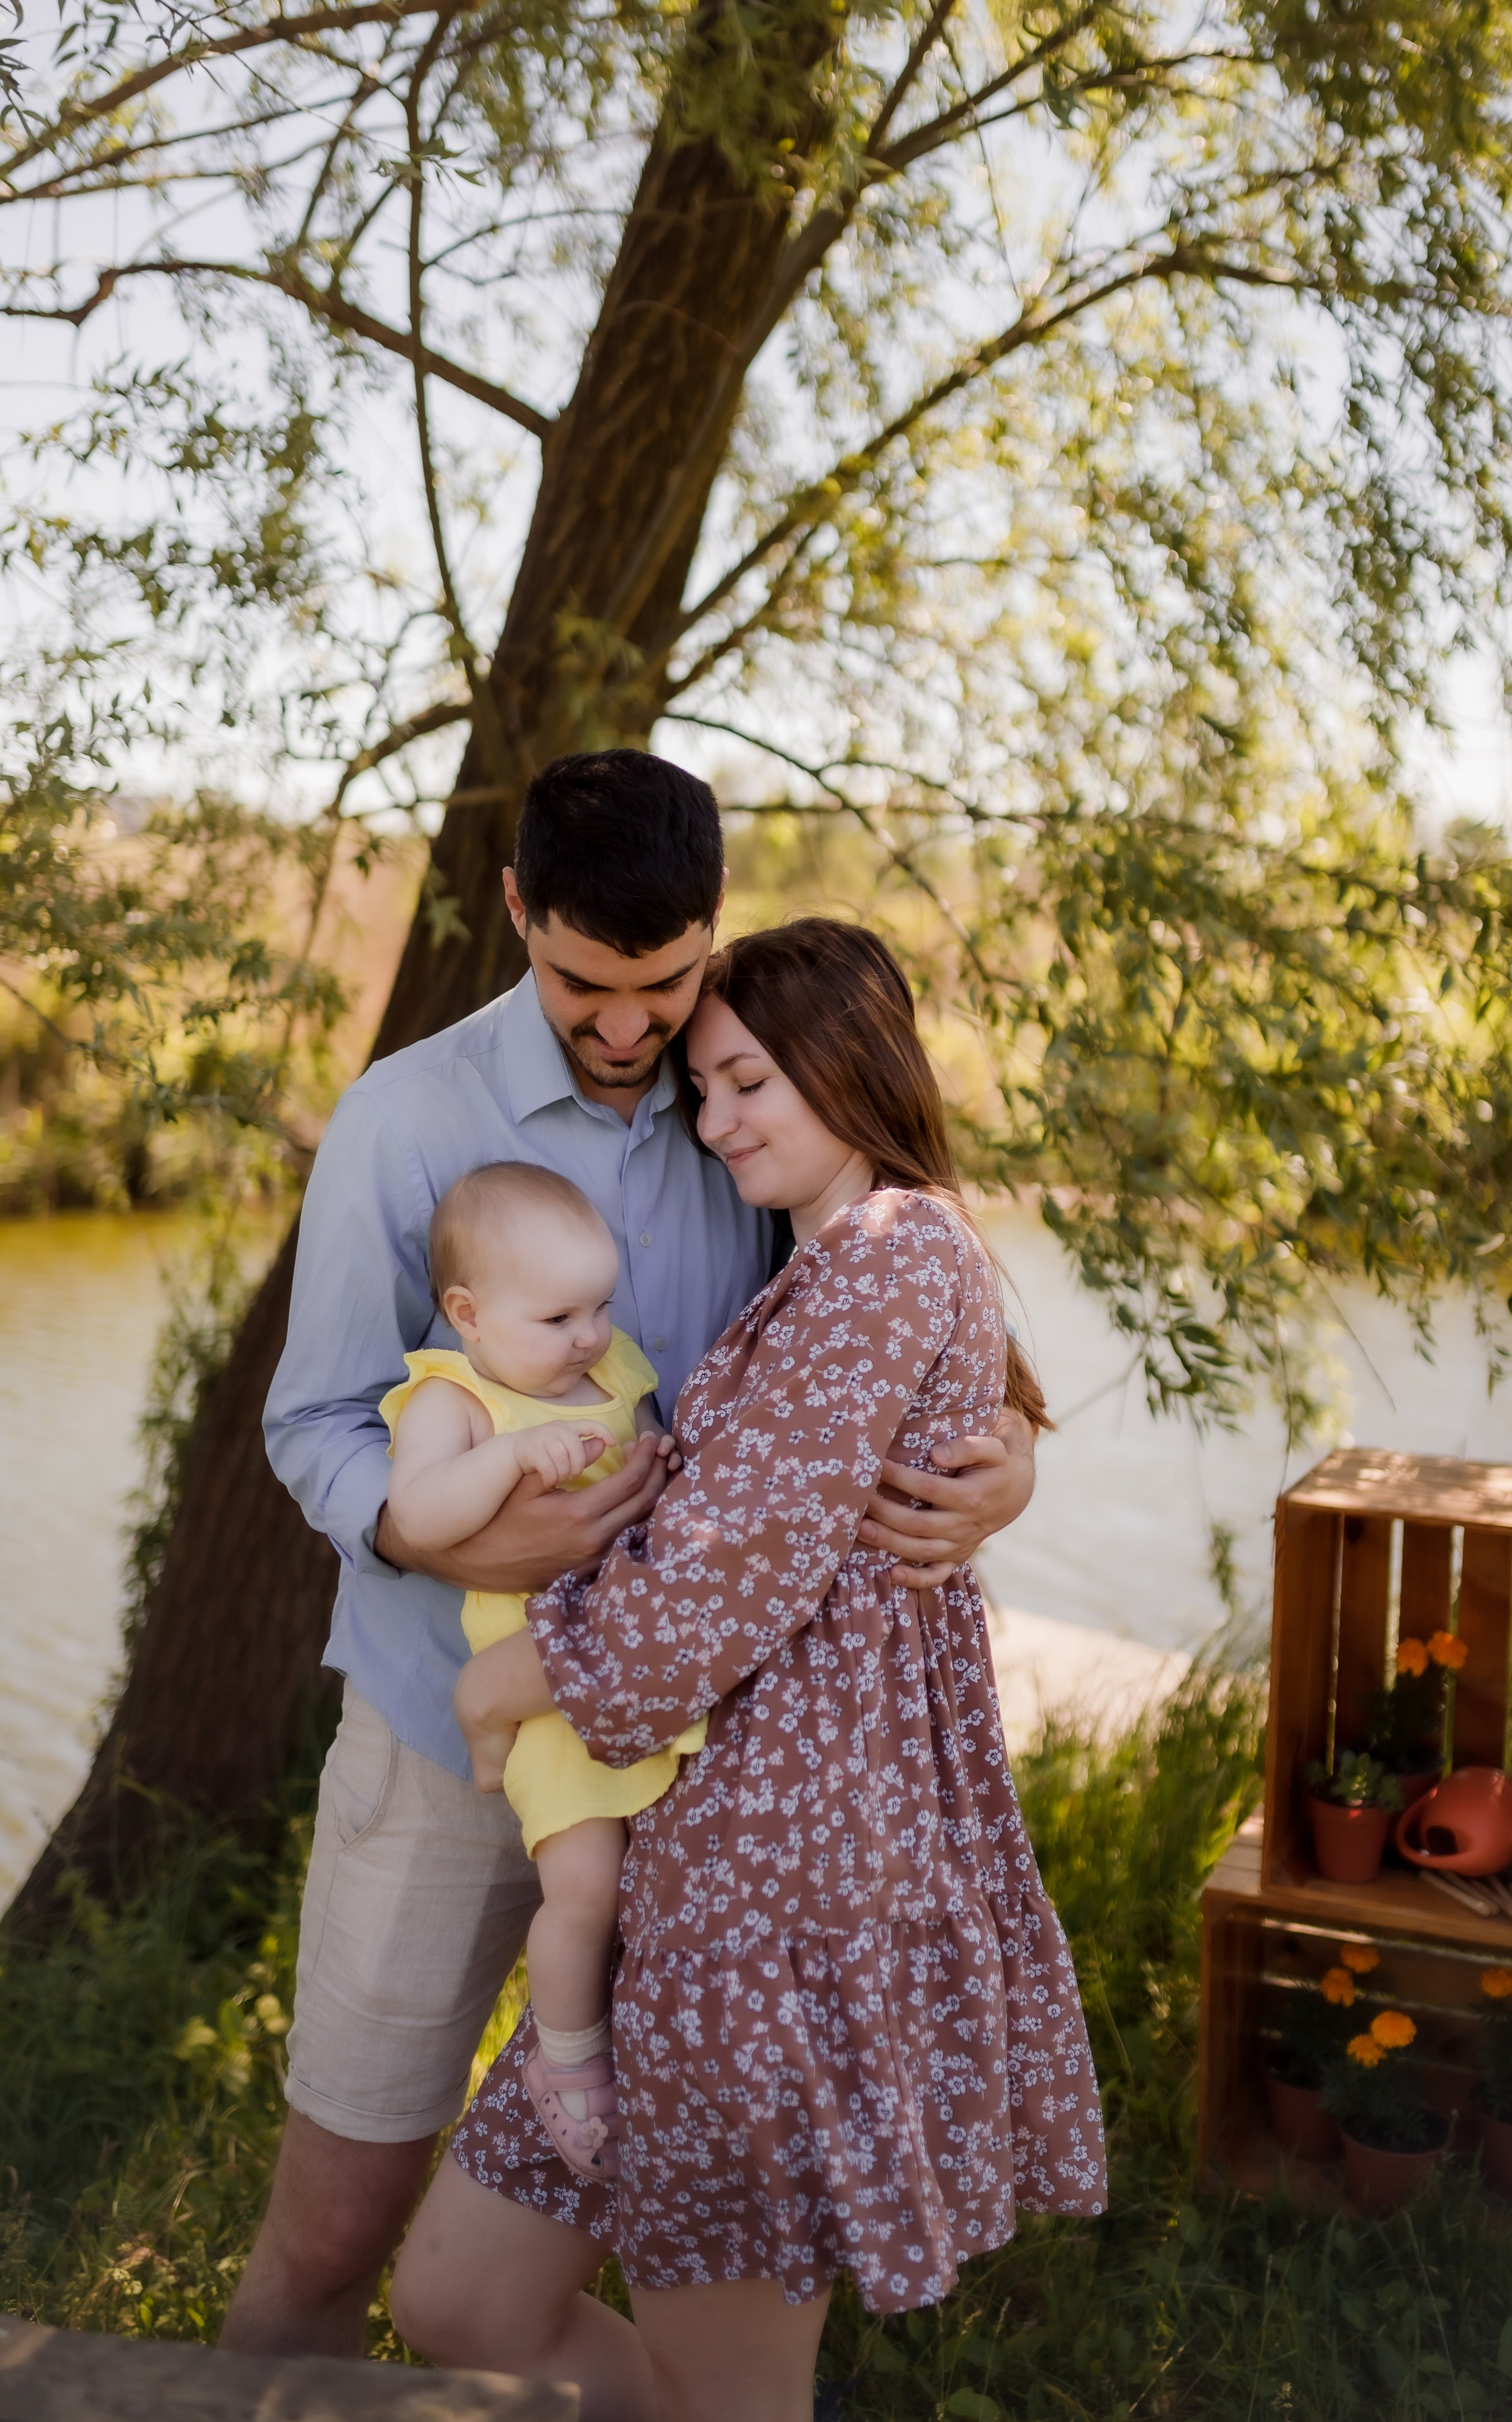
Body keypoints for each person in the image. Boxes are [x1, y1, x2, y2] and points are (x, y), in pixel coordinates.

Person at [224, 753, 1037, 2365]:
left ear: (707, 940)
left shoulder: (743, 1098)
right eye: (580, 983)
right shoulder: (406, 1122)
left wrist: (1000, 1469)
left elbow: (870, 1352)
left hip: (702, 1780)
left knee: (678, 2255)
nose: (623, 1030)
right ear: (516, 911)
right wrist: (434, 1521)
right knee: (333, 2236)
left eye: (659, 986)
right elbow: (313, 1421)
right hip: (453, 1730)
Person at [390, 920, 1107, 2422]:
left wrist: (506, 1682)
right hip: (691, 1881)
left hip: (768, 1905)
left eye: (743, 1084)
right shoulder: (839, 1260)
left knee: (734, 2390)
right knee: (458, 2300)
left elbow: (722, 1575)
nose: (714, 1126)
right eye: (703, 1094)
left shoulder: (891, 1254)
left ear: (847, 1063)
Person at [382, 1161, 706, 2181]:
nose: (589, 1335)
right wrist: (511, 1462)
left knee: (658, 1882)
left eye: (601, 1306)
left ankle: (661, 2067)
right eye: (560, 1315)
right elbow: (422, 1515)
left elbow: (658, 1461)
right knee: (584, 1888)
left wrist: (658, 1464)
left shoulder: (616, 1375)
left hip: (637, 1666)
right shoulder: (457, 1398)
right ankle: (566, 2061)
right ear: (467, 1314)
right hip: (545, 1695)